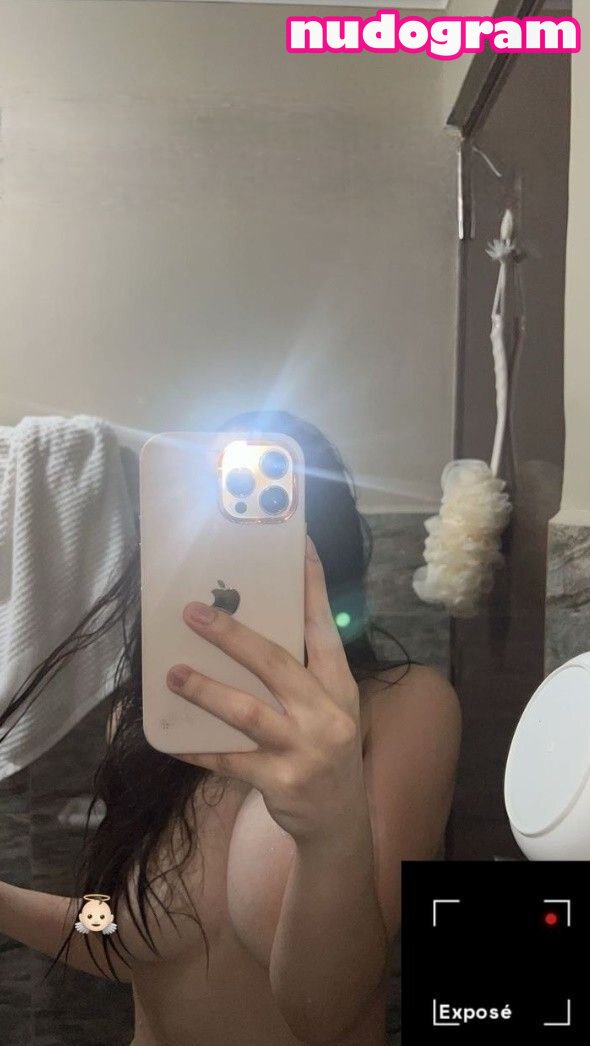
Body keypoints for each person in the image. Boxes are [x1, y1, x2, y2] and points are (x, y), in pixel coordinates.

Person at [0, 410, 461, 1045]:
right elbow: (116, 931)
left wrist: (331, 829)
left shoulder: (402, 710)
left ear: (314, 549)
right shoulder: (148, 726)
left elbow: (324, 1014)